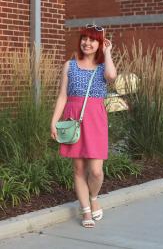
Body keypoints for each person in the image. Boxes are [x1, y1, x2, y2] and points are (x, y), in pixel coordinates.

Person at [50, 24, 117, 228]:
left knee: (96, 171)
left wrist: (107, 53)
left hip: (96, 118)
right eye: (84, 39)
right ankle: (86, 210)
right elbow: (63, 96)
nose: (87, 43)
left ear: (100, 43)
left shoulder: (102, 67)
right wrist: (54, 121)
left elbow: (112, 77)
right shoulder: (69, 65)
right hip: (73, 118)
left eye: (93, 40)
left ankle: (94, 196)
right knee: (79, 168)